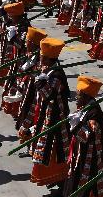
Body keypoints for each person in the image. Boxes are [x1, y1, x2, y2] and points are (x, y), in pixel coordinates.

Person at [25, 37, 70, 187]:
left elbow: (48, 94)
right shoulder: (48, 70)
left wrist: (39, 81)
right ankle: (53, 179)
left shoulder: (57, 76)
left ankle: (60, 181)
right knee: (47, 151)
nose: (40, 59)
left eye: (43, 57)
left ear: (49, 59)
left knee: (55, 152)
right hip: (46, 116)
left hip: (56, 119)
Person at [62, 76, 103, 197]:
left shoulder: (93, 112)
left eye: (78, 95)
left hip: (91, 156)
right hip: (82, 152)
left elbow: (88, 136)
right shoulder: (86, 107)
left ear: (85, 96)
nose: (76, 97)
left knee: (87, 183)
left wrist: (75, 125)